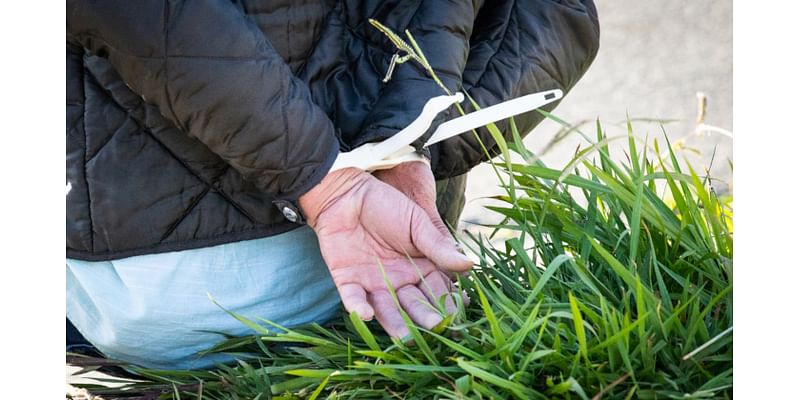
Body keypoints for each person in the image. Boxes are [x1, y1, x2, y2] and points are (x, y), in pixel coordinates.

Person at [66, 0, 600, 370]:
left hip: (150, 297)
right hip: (407, 256)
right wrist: (412, 147)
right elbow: (555, 14)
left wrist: (325, 178)